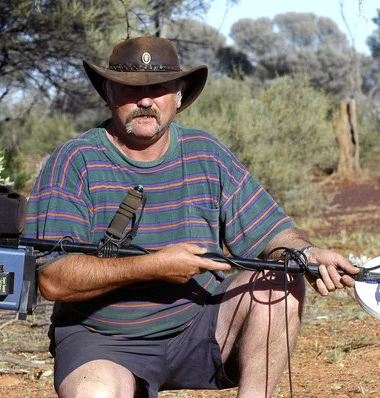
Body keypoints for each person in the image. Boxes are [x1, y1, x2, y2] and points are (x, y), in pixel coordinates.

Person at [25, 36, 358, 398]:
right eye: (131, 89)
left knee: (282, 277)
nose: (146, 100)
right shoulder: (74, 161)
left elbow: (273, 234)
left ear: (179, 97)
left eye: (160, 88)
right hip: (103, 339)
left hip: (199, 327)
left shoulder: (206, 154)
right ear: (108, 93)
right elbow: (54, 281)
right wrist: (154, 267)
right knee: (96, 393)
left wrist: (306, 254)